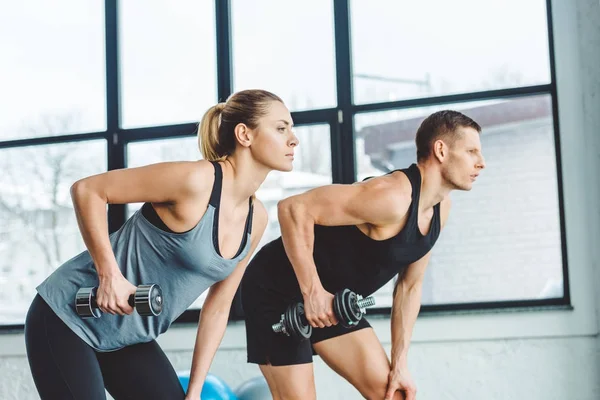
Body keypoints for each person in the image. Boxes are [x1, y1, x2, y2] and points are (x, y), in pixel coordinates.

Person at [24, 89, 299, 400]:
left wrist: (194, 390)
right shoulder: (195, 180)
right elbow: (87, 190)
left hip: (128, 335)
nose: (293, 139)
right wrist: (109, 276)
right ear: (244, 135)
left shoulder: (256, 218)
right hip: (66, 317)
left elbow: (218, 308)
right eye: (281, 128)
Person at [241, 110, 486, 400]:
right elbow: (293, 208)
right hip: (275, 289)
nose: (481, 163)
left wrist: (400, 365)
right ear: (441, 150)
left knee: (394, 394)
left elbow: (409, 287)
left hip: (333, 300)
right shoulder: (391, 196)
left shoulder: (439, 208)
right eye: (471, 152)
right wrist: (313, 293)